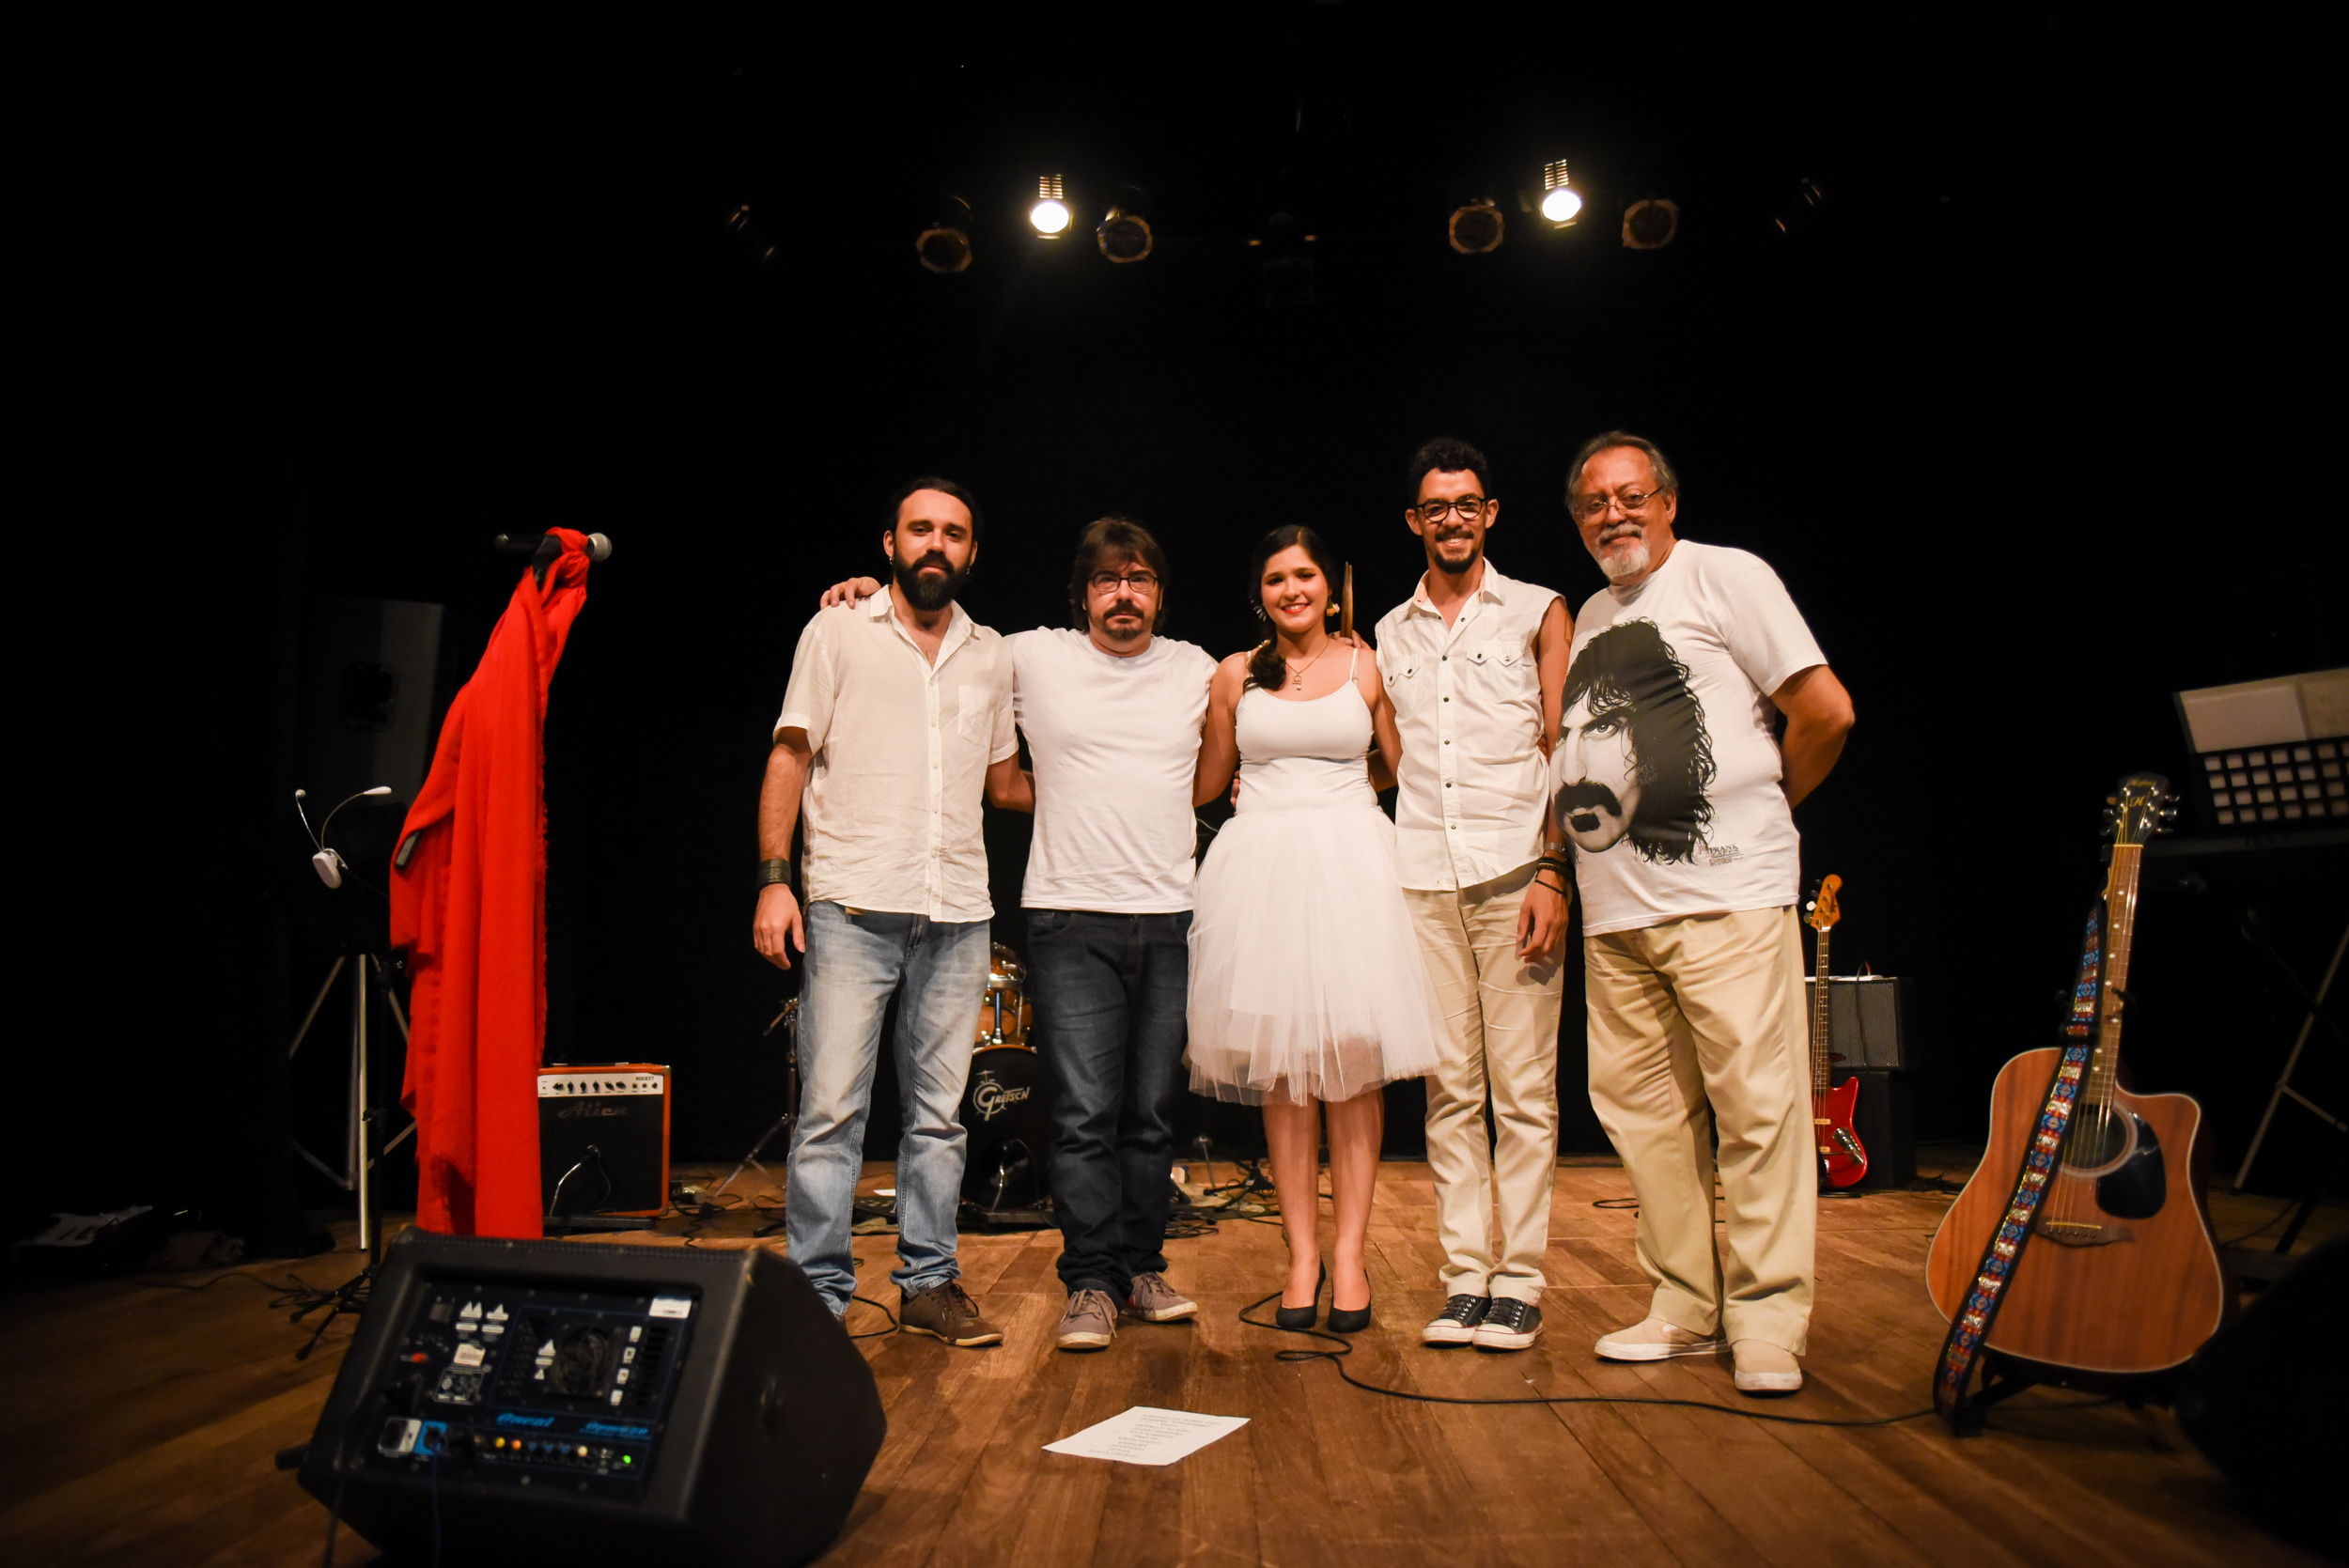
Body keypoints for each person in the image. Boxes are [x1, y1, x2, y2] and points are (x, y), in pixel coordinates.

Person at [815, 518, 1219, 1355]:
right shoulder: (1029, 655)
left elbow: (1232, 750)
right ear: (1082, 594)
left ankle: (1143, 1268)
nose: (1124, 594)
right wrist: (864, 593)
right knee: (1082, 1113)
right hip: (1069, 915)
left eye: (1140, 579)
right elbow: (941, 640)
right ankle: (1091, 1282)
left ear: (1160, 593)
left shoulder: (1197, 668)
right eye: (1107, 579)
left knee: (1150, 1112)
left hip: (1171, 915)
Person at [1555, 432, 1854, 1395]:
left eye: (1630, 495)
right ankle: (1685, 1305)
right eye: (1594, 502)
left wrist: (1765, 809)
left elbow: (1826, 711)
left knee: (1758, 1114)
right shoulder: (1593, 613)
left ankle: (1768, 1319)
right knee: (1645, 1122)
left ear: (1668, 501)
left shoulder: (1727, 576)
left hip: (1725, 900)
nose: (1613, 514)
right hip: (1618, 918)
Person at [753, 477, 1033, 1347]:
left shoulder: (992, 654)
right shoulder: (838, 629)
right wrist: (773, 879)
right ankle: (816, 1297)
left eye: (953, 531)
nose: (935, 544)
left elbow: (1006, 783)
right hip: (852, 901)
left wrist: (1128, 786)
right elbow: (790, 754)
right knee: (831, 1112)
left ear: (972, 551)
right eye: (920, 528)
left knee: (940, 1116)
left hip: (957, 908)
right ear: (889, 542)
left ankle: (929, 1281)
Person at [1187, 524, 1446, 1333]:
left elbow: (1401, 767)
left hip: (1351, 866)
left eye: (1304, 575)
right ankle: (1301, 1253)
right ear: (1259, 593)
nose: (1291, 590)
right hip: (1261, 873)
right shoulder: (1234, 672)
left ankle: (1351, 1254)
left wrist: (1341, 785)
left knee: (1353, 1070)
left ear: (1330, 588)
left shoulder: (1368, 664)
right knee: (1285, 1075)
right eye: (1275, 578)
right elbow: (1207, 779)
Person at [1374, 438, 1573, 1353]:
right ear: (1414, 521)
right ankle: (1465, 1279)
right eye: (1434, 507)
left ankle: (1519, 1280)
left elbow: (1563, 749)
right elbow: (1391, 761)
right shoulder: (1389, 631)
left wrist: (1554, 868)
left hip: (1515, 874)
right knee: (1450, 1091)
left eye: (1466, 504)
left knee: (1523, 1090)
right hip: (1421, 881)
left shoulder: (1537, 609)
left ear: (1488, 513)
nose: (1451, 519)